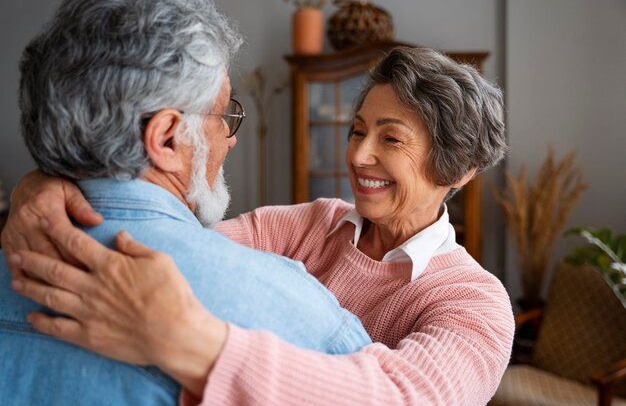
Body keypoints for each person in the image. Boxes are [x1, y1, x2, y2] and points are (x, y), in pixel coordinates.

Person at [4, 47, 515, 405]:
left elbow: (403, 399)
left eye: (391, 140)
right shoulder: (309, 225)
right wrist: (47, 183)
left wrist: (189, 340)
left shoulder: (476, 305)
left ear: (458, 168)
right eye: (358, 131)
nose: (359, 155)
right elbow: (169, 243)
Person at [0, 0, 373, 404]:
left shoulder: (14, 250)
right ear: (167, 137)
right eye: (224, 114)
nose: (229, 142)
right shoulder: (290, 305)